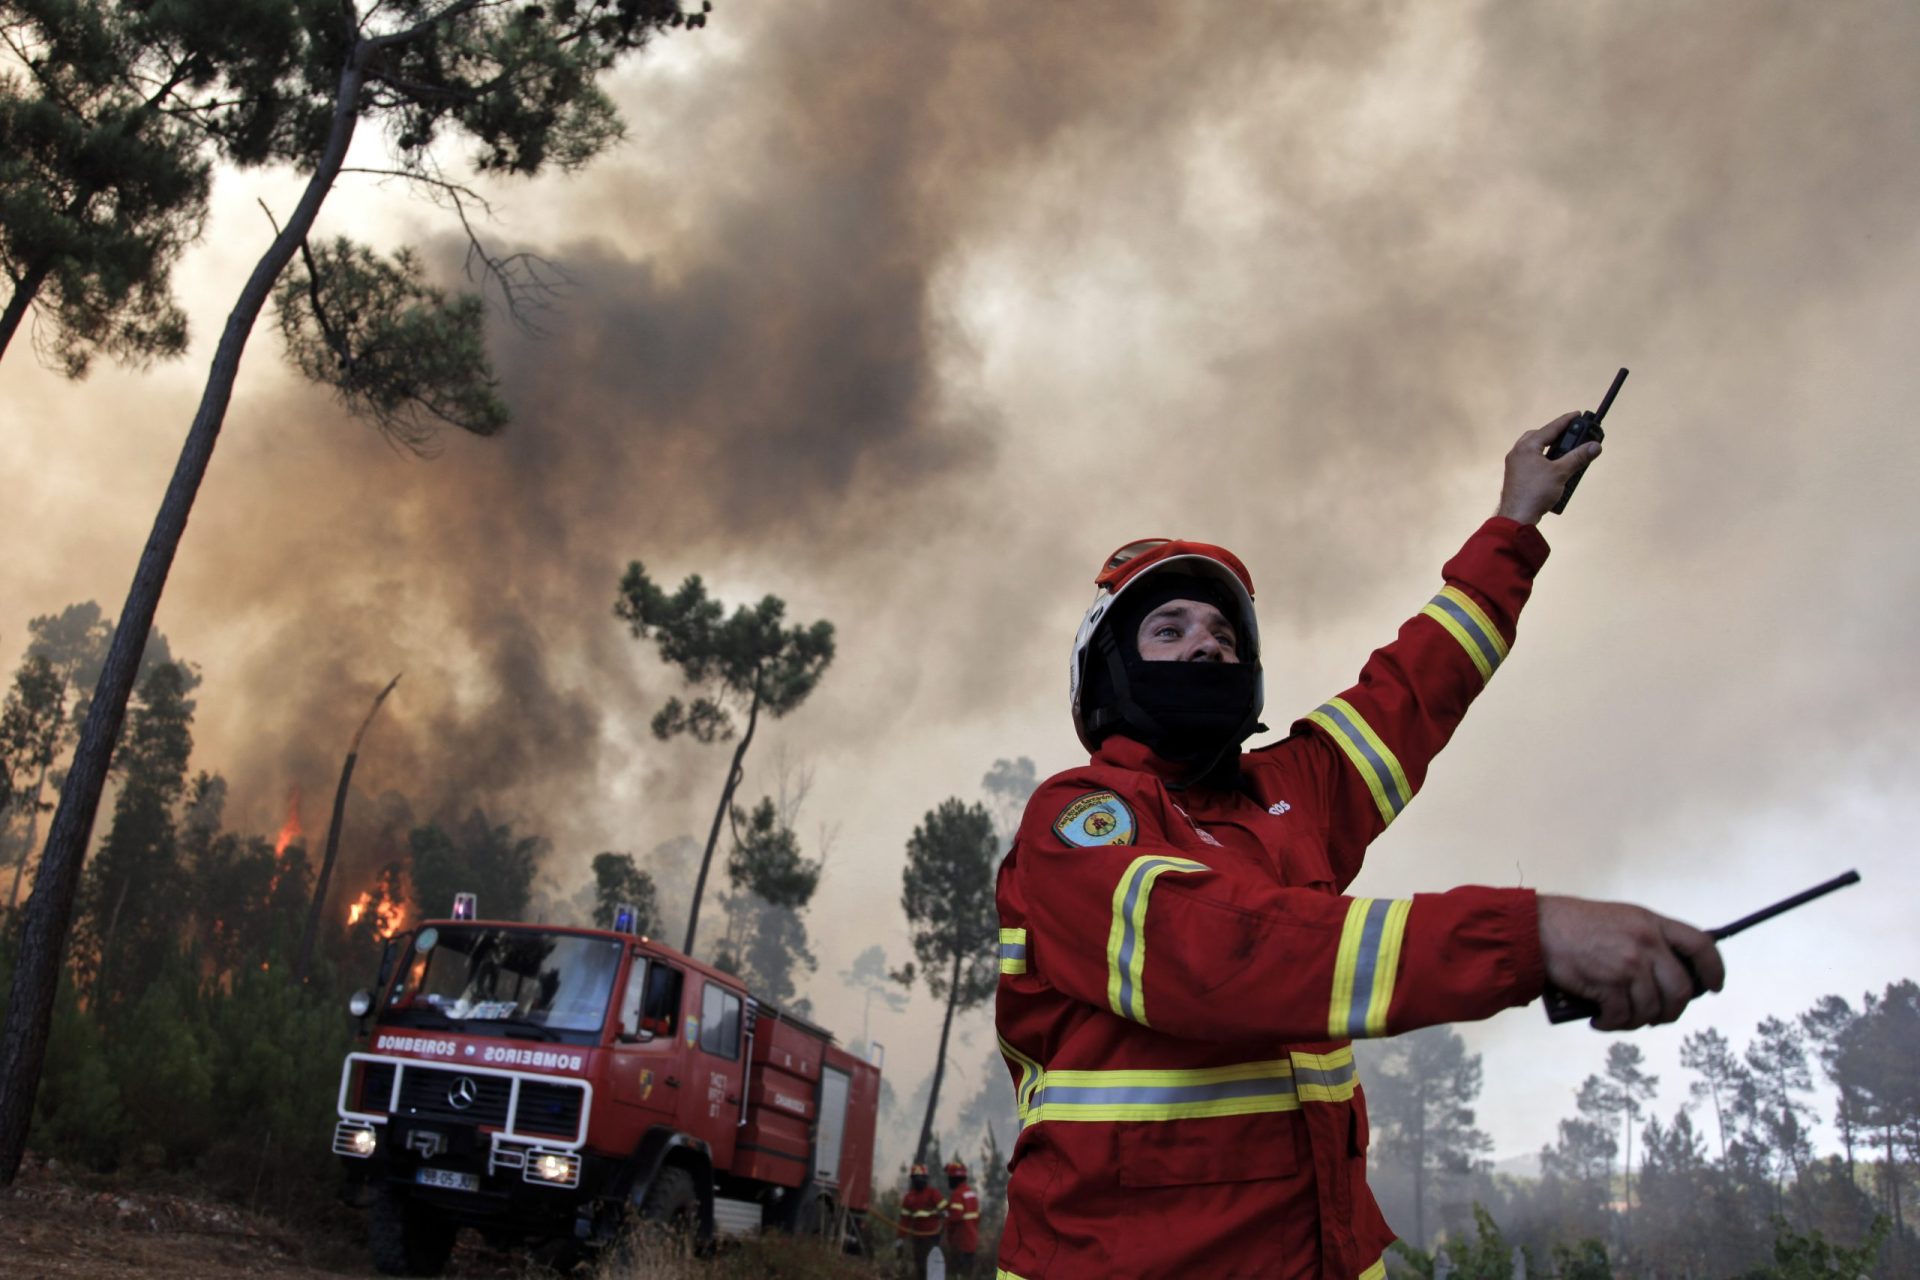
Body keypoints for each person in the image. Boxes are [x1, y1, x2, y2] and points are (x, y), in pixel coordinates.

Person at [993, 418, 1727, 1279]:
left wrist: (1516, 521)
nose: (1207, 644)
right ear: (1113, 672)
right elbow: (1220, 954)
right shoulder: (1078, 820)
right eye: (1171, 630)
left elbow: (1416, 684)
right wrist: (1528, 938)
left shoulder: (1287, 797)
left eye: (1225, 637)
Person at [896, 1162, 946, 1279]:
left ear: (925, 1179)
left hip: (932, 1237)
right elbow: (904, 1220)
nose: (918, 1180)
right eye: (916, 1178)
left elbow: (945, 1210)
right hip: (917, 1238)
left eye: (921, 1178)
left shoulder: (933, 1193)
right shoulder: (909, 1197)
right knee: (920, 1264)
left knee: (931, 1265)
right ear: (912, 1180)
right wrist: (900, 1238)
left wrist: (944, 1217)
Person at [942, 1159, 982, 1276]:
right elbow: (977, 1217)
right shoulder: (971, 1194)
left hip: (960, 1243)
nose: (948, 1180)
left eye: (949, 1177)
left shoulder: (957, 1194)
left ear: (955, 1179)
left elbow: (954, 1217)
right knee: (967, 1273)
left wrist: (945, 1215)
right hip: (971, 1242)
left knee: (959, 1274)